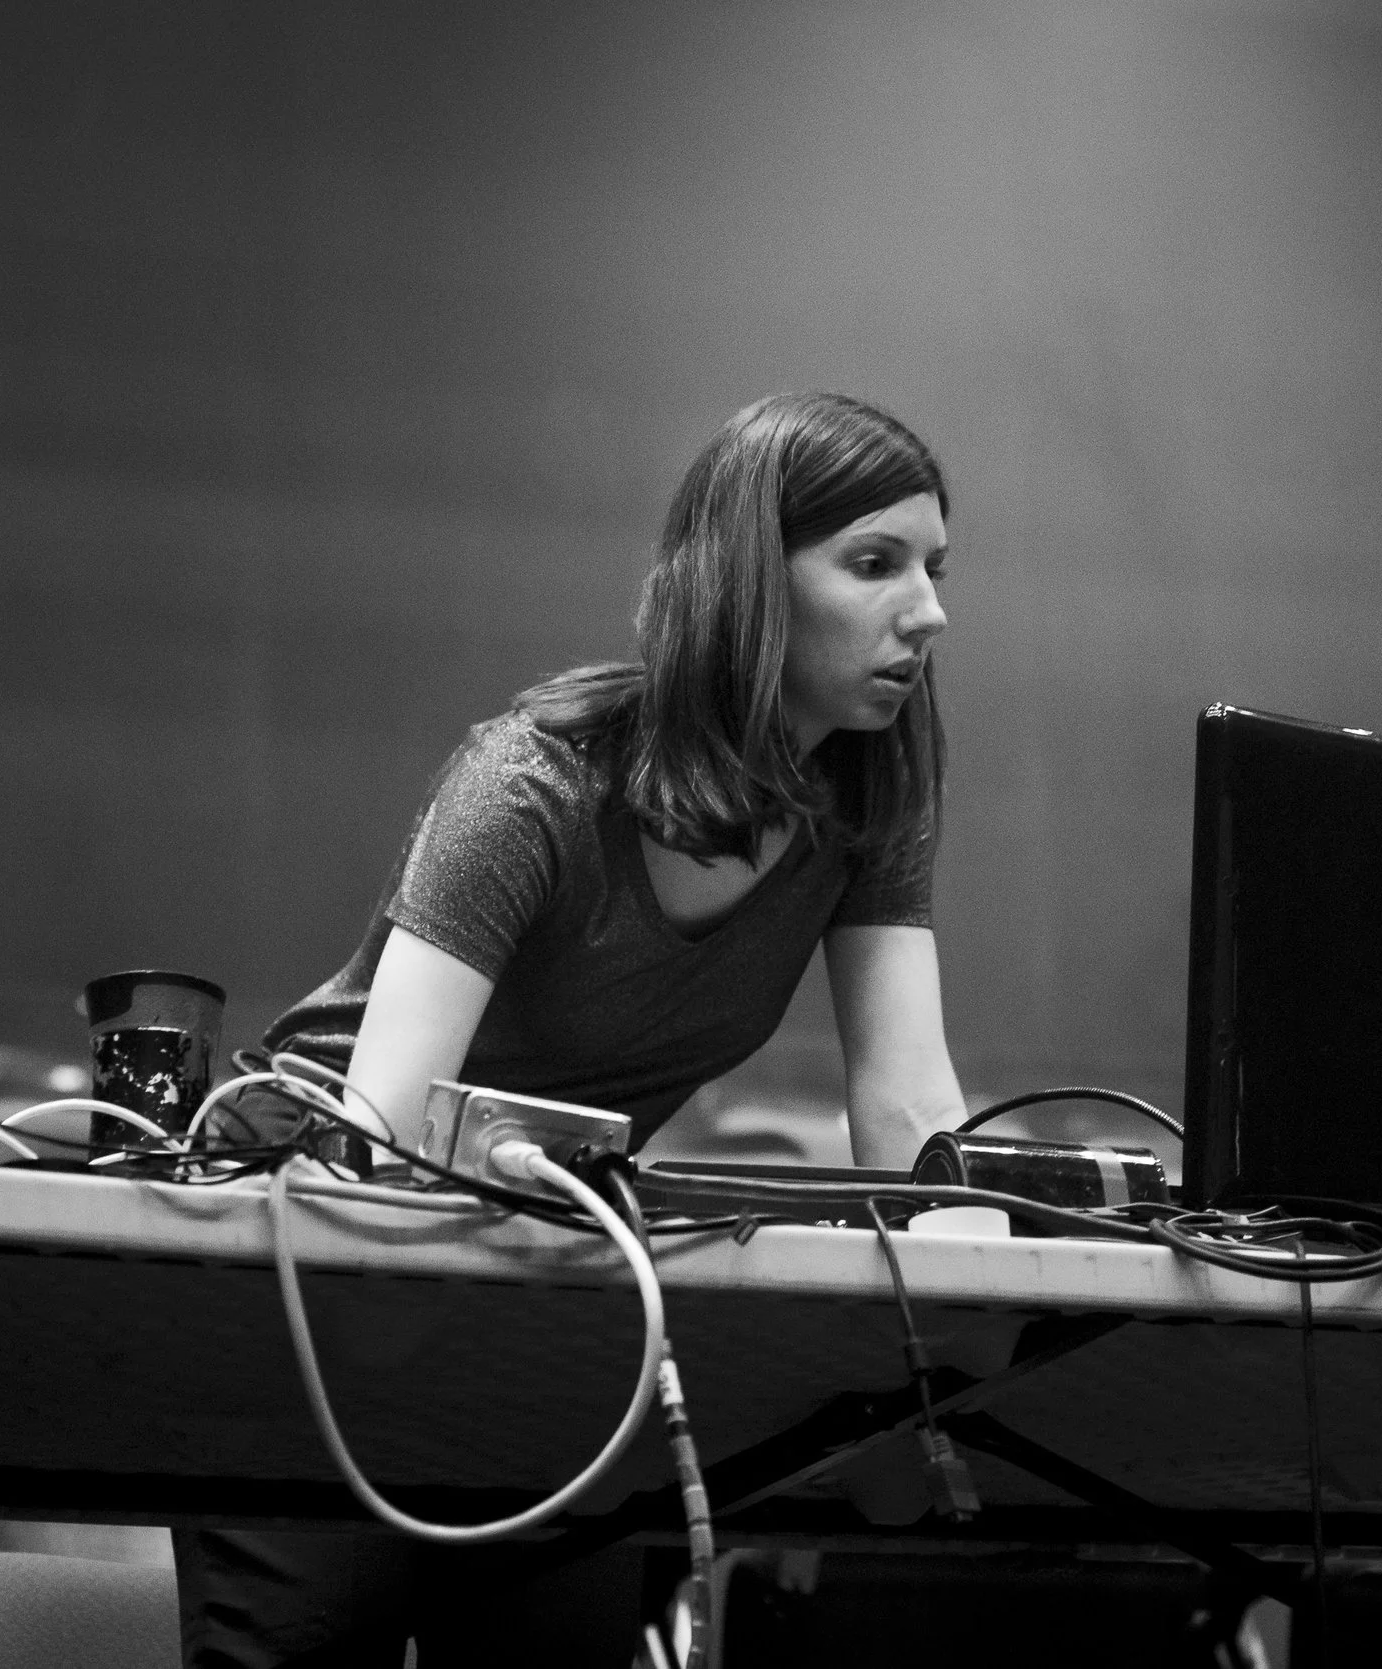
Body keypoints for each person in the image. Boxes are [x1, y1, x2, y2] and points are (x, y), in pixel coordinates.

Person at [177, 391, 968, 1668]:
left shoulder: (866, 800)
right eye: (875, 563)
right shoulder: (532, 779)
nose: (926, 611)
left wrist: (985, 1293)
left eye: (934, 568)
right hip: (324, 1258)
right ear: (749, 584)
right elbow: (385, 1131)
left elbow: (909, 1107)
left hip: (543, 1288)